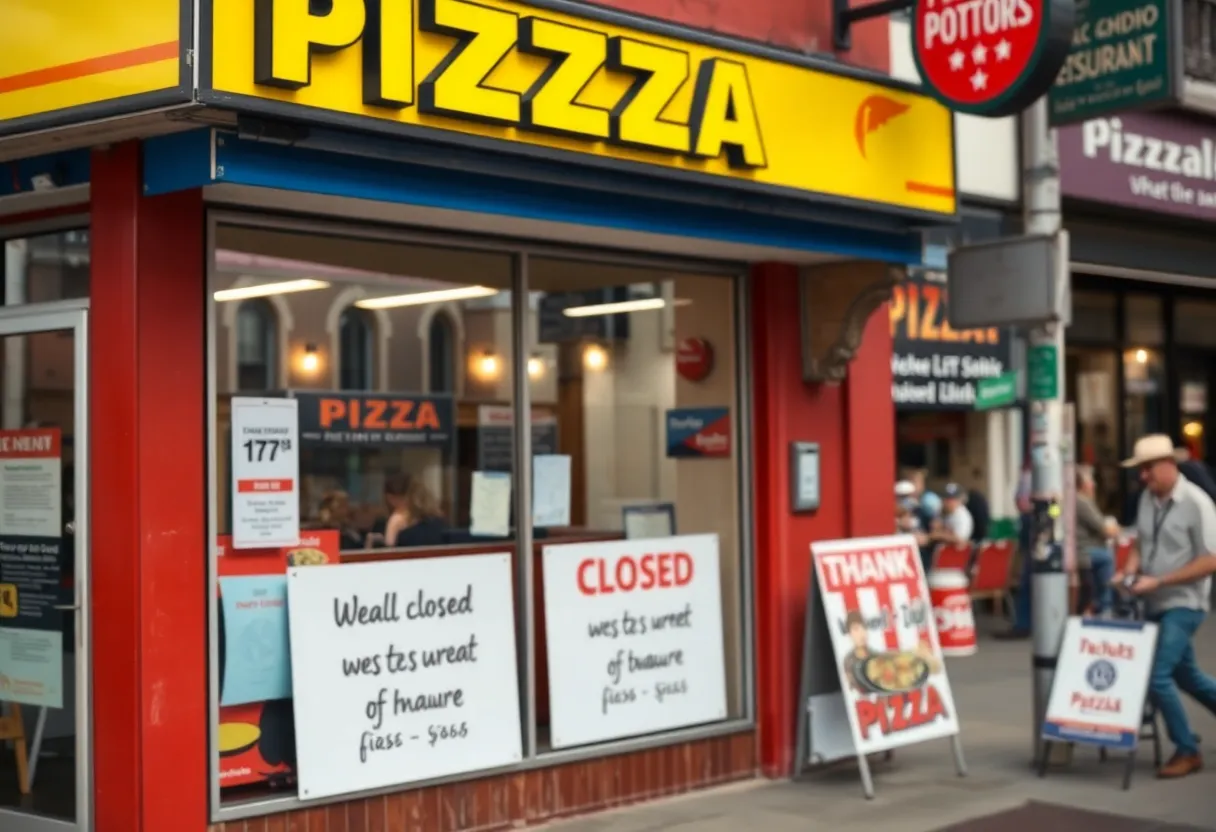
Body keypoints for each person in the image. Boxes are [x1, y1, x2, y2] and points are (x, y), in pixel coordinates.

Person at [1116, 434, 1216, 778]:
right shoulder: (1147, 498)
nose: (1142, 477)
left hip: (1185, 603)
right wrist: (1128, 573)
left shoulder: (1197, 503)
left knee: (1157, 676)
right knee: (1187, 676)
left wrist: (1159, 581)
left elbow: (1211, 560)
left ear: (1168, 465)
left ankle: (1187, 750)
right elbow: (1141, 543)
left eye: (1147, 469)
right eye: (1140, 470)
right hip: (1154, 599)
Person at [995, 461, 1034, 640]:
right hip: (1036, 527)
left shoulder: (1031, 478)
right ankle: (1025, 623)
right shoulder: (1035, 477)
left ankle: (1024, 624)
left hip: (1034, 525)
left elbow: (1021, 502)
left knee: (1027, 583)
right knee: (1028, 583)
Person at [1074, 466, 1119, 615]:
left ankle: (1103, 604)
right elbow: (1105, 529)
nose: (1094, 485)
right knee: (1108, 557)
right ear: (1082, 484)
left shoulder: (1077, 500)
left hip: (1082, 550)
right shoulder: (1082, 501)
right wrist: (1114, 529)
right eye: (1090, 481)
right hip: (1085, 552)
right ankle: (1106, 606)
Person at [366, 473, 447, 549]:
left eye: (401, 499)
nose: (395, 504)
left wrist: (393, 530)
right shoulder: (381, 523)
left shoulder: (431, 523)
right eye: (391, 499)